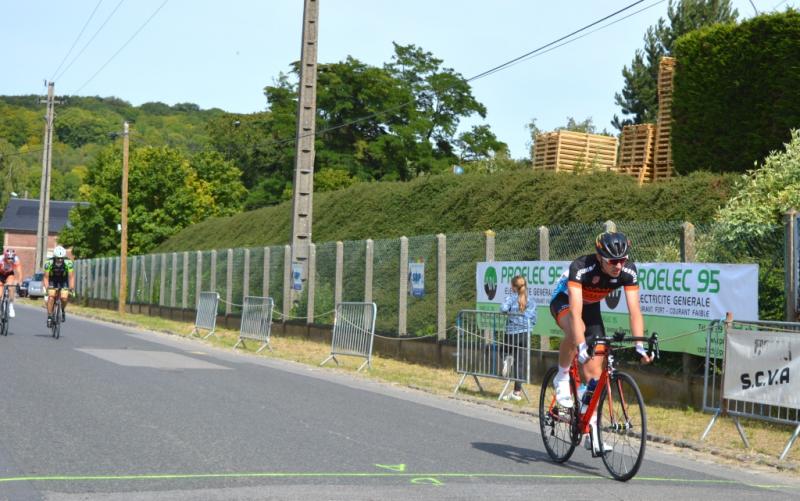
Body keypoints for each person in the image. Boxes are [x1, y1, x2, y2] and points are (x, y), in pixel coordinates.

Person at [549, 231, 652, 452]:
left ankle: (591, 432)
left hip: (592, 305)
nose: (618, 265)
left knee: (594, 375)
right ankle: (562, 375)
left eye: (622, 260)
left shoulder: (628, 271)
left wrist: (640, 346)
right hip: (565, 300)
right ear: (599, 257)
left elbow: (635, 311)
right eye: (613, 261)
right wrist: (581, 346)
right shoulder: (581, 267)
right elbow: (575, 313)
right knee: (576, 331)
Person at [499, 275, 537, 401]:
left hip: (511, 333)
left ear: (513, 287)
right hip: (525, 334)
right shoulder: (531, 301)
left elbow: (503, 308)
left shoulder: (511, 298)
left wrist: (510, 312)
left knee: (503, 350)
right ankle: (517, 393)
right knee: (520, 363)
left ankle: (507, 358)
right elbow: (533, 319)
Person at [43, 245, 75, 327]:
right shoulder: (49, 262)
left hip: (63, 280)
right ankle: (49, 316)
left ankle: (62, 310)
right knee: (51, 297)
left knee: (64, 297)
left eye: (62, 258)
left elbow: (71, 277)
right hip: (52, 280)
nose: (60, 260)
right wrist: (47, 288)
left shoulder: (68, 262)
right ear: (54, 257)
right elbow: (46, 277)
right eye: (58, 258)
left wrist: (71, 288)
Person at [0, 248, 22, 318]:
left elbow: (19, 272)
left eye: (12, 258)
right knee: (0, 294)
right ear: (5, 257)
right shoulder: (0, 259)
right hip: (0, 274)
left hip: (9, 274)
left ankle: (11, 305)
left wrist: (20, 281)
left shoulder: (16, 259)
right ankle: (2, 305)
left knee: (10, 287)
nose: (10, 260)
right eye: (8, 258)